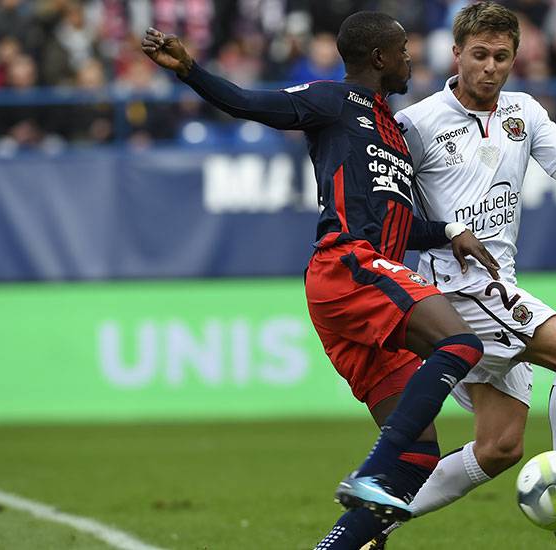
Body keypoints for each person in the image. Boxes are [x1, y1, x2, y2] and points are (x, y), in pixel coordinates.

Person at [141, 12, 502, 549]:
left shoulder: (393, 130)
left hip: (369, 282)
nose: (410, 58)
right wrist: (191, 70)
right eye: (403, 49)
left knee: (420, 455)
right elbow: (248, 102)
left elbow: (395, 223)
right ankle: (372, 473)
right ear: (379, 58)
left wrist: (448, 231)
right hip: (348, 267)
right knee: (460, 342)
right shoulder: (332, 102)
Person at [368, 2, 556, 547]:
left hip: (497, 287)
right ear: (455, 54)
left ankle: (371, 525)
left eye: (502, 56)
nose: (490, 67)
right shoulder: (417, 124)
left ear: (515, 57)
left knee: (499, 448)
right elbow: (389, 217)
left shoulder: (524, 112)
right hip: (456, 292)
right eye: (479, 55)